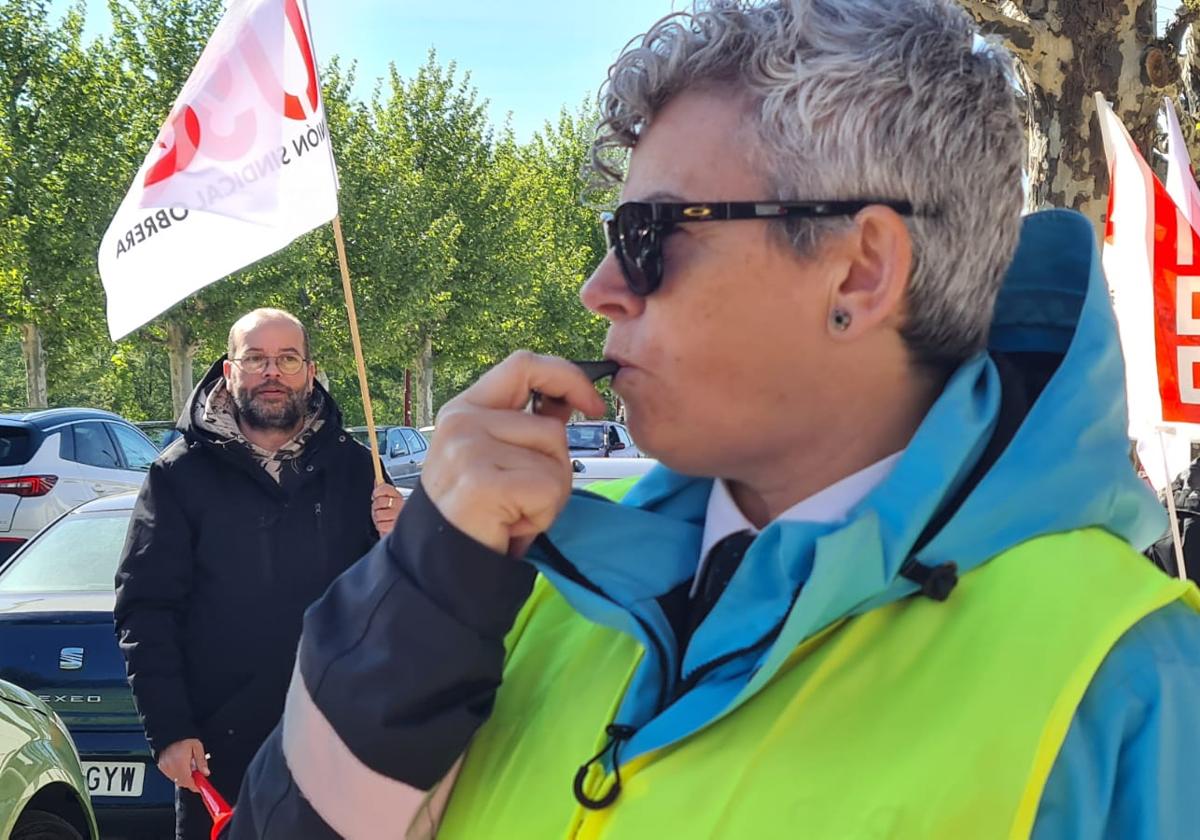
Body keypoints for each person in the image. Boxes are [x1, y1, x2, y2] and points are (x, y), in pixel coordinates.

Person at [230, 2, 1200, 838]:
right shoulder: (530, 586)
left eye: (649, 238)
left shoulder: (1131, 679)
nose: (599, 289)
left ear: (860, 270)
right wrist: (428, 579)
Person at [113, 308, 402, 840]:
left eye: (288, 359)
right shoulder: (179, 475)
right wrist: (170, 731)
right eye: (256, 359)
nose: (273, 372)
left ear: (311, 372)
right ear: (229, 372)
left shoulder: (359, 471)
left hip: (342, 748)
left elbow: (403, 611)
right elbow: (146, 610)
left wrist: (405, 541)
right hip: (221, 757)